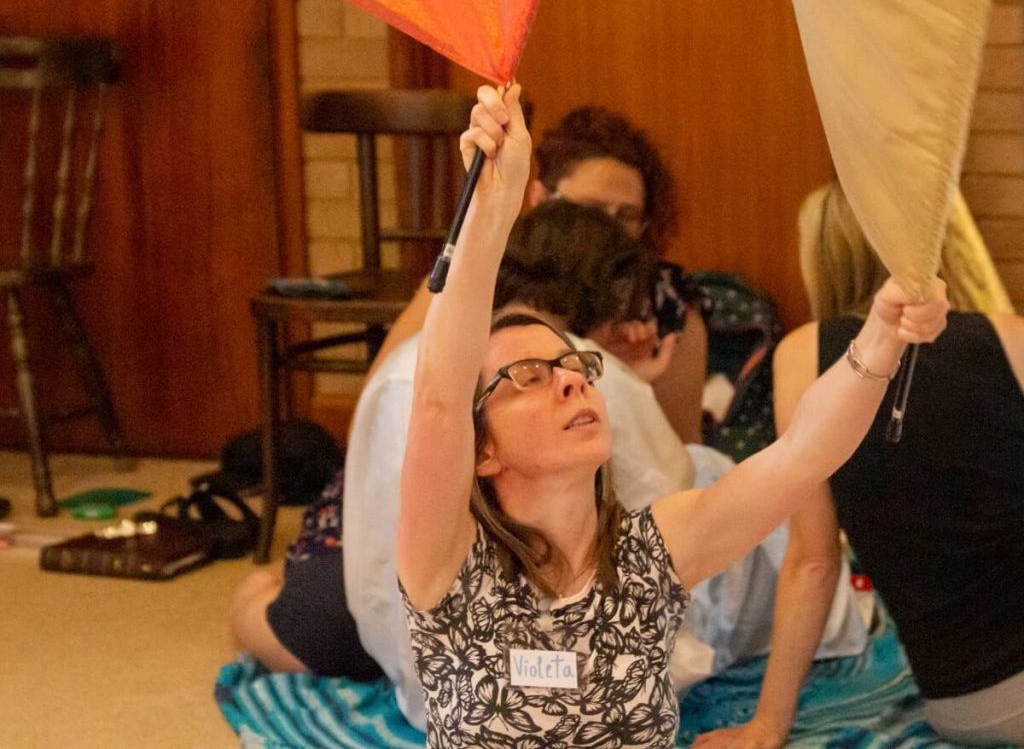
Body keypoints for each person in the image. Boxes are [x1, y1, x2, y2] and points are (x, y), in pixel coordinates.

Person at [396, 86, 947, 747]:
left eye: (576, 367)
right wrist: (496, 205)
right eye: (531, 377)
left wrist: (881, 337)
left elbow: (803, 454)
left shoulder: (650, 554)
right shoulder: (450, 566)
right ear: (482, 450)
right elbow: (437, 398)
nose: (572, 380)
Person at [228, 196, 675, 688]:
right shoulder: (589, 374)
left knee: (267, 600)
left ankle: (266, 593)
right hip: (490, 637)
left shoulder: (409, 361)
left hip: (389, 624)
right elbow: (666, 502)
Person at [694, 181, 1024, 748]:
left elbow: (813, 563)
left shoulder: (801, 355)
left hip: (969, 705)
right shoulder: (1009, 334)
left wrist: (768, 725)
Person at [369, 104, 711, 444]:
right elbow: (383, 395)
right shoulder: (476, 269)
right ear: (539, 197)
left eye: (625, 217)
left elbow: (678, 461)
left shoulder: (669, 307)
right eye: (588, 210)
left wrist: (626, 381)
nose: (605, 230)